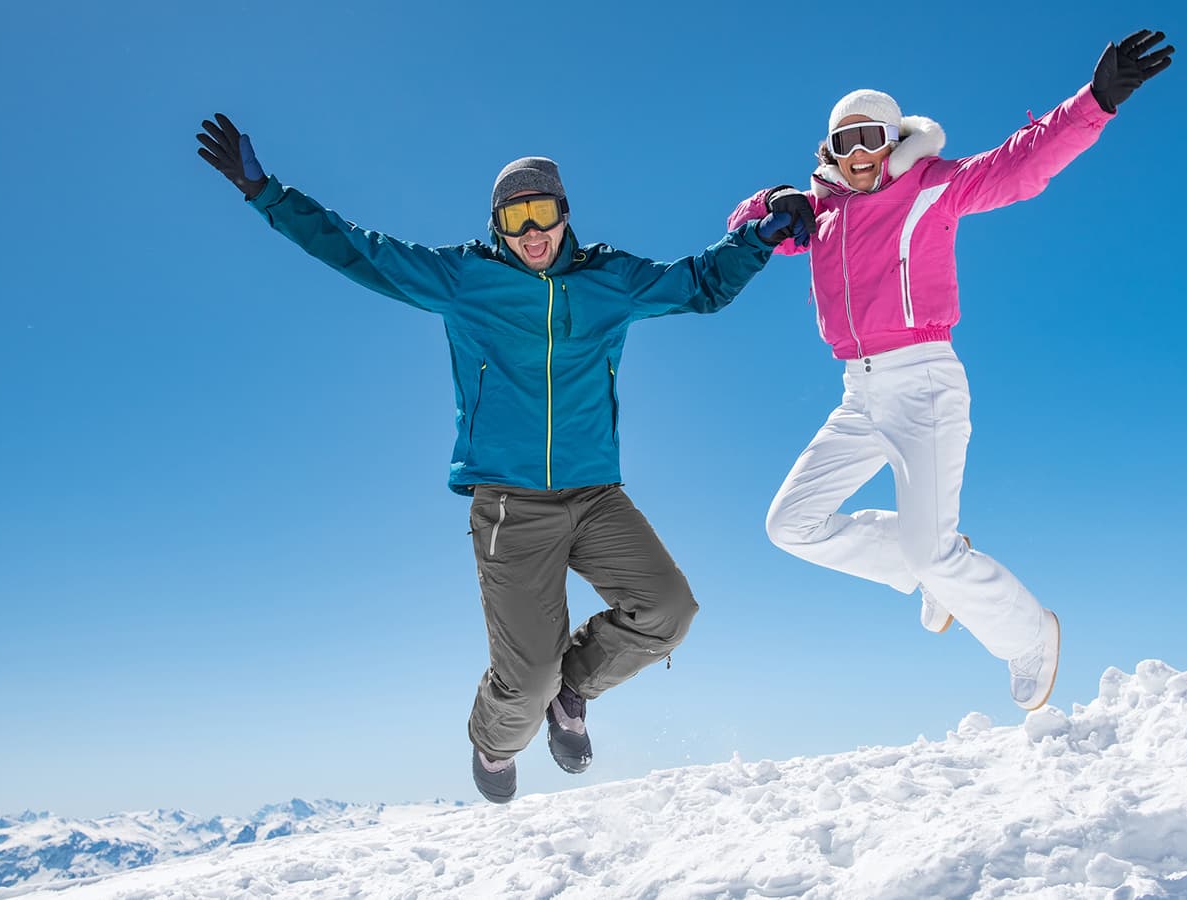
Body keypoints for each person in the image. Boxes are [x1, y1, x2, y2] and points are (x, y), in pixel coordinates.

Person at [196, 115, 801, 802]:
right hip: (512, 506)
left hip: (596, 495)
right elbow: (359, 251)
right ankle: (496, 742)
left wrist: (758, 237)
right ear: (497, 226)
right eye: (515, 219)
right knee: (527, 678)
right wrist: (266, 194)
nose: (532, 232)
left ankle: (574, 691)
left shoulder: (610, 278)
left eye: (543, 212)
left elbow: (701, 284)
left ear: (565, 213)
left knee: (668, 610)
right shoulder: (465, 279)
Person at [727, 30, 1174, 712]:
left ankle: (1029, 635)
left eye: (870, 137)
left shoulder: (932, 187)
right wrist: (769, 203)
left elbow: (1020, 165)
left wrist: (1095, 101)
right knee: (791, 525)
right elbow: (744, 228)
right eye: (844, 142)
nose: (858, 154)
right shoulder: (820, 213)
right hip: (858, 394)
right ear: (830, 151)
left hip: (924, 385)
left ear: (893, 140)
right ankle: (925, 566)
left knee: (933, 553)